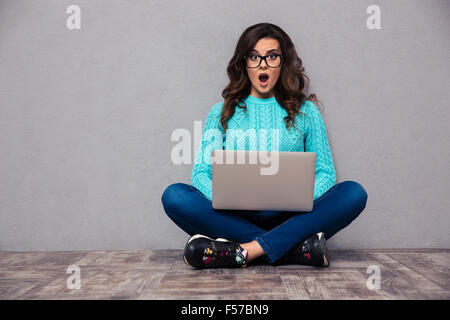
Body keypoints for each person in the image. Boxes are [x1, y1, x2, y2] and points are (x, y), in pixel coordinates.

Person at [161, 22, 368, 269]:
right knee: (175, 196)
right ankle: (292, 250)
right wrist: (227, 199)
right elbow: (201, 174)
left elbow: (325, 172)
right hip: (234, 216)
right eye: (254, 57)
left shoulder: (307, 112)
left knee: (353, 193)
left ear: (283, 61)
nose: (263, 65)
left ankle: (245, 250)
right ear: (244, 63)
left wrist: (300, 199)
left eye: (271, 57)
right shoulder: (220, 112)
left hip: (293, 217)